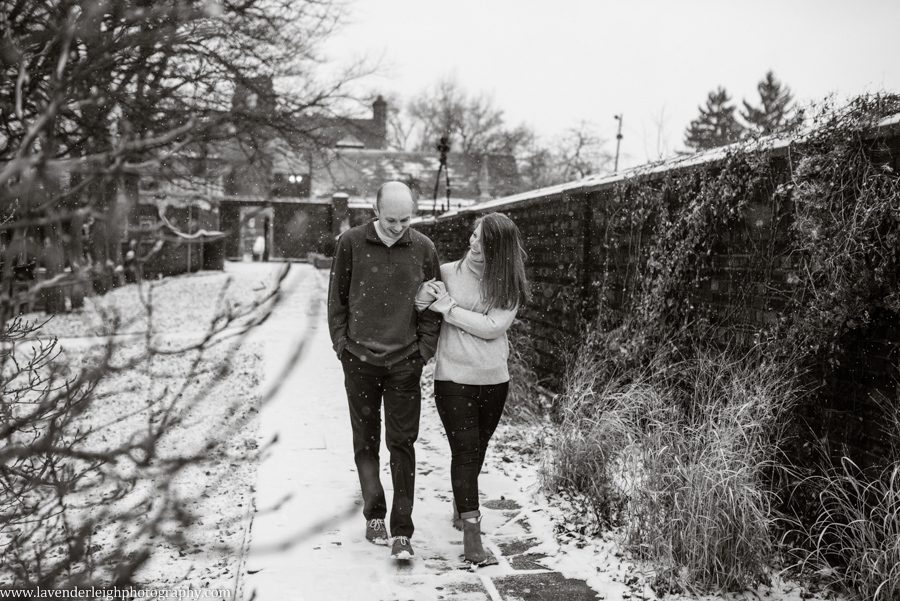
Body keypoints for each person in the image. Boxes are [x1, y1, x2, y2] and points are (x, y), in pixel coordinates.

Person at [327, 181, 442, 560]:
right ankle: (374, 514)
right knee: (365, 441)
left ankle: (402, 529)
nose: (397, 227)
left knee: (402, 444)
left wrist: (423, 351)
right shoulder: (351, 243)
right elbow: (337, 299)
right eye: (391, 220)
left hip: (404, 363)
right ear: (375, 211)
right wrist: (342, 346)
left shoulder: (424, 248)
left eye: (405, 220)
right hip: (359, 360)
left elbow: (434, 302)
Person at [418, 212, 529, 564]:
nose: (474, 242)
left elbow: (492, 327)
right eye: (474, 234)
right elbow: (420, 306)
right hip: (452, 379)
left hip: (494, 381)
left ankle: (461, 502)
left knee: (477, 451)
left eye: (484, 239)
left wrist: (449, 308)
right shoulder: (447, 273)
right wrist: (424, 296)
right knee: (465, 453)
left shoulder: (507, 284)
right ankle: (472, 536)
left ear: (500, 247)